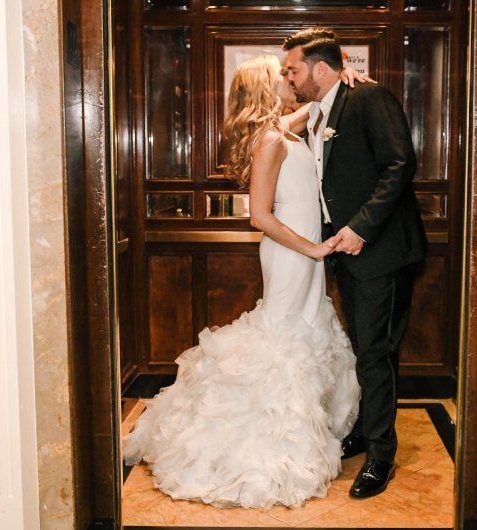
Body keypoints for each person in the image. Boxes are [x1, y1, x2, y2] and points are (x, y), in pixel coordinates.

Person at [122, 56, 370, 509]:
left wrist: (343, 78)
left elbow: (317, 110)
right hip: (293, 252)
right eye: (282, 74)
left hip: (305, 251)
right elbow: (259, 216)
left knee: (302, 330)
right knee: (282, 336)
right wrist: (312, 249)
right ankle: (268, 440)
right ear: (264, 87)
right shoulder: (270, 140)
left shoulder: (281, 128)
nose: (288, 78)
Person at [283, 27, 428, 499]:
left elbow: (399, 164)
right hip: (346, 253)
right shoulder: (323, 108)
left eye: (294, 69)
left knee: (376, 353)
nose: (289, 78)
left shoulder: (369, 100)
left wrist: (361, 227)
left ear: (319, 69)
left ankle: (381, 458)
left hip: (381, 251)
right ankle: (367, 432)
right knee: (367, 348)